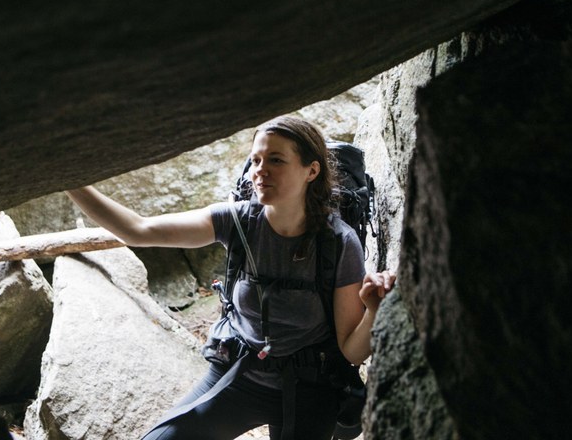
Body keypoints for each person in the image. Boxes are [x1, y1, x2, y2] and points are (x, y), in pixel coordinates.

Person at [66, 116, 396, 440]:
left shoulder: (338, 243)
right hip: (241, 373)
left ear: (311, 170)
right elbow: (138, 230)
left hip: (311, 387)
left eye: (276, 160)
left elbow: (352, 352)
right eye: (256, 159)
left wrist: (373, 311)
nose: (260, 170)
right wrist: (69, 180)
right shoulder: (238, 221)